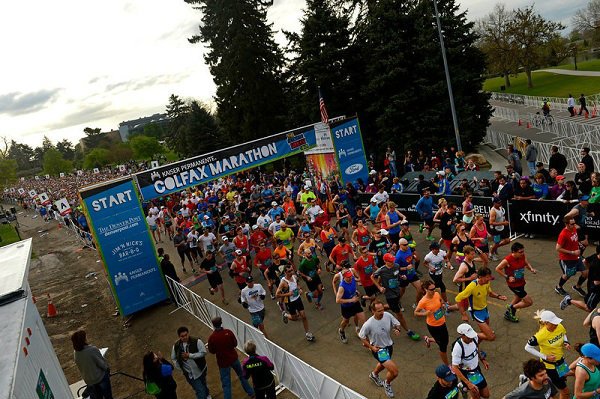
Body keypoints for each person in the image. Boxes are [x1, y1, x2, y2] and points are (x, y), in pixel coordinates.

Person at [371, 252, 420, 341]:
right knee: (399, 314)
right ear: (385, 261)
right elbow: (372, 276)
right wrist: (379, 287)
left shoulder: (396, 266)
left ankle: (376, 310)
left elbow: (397, 273)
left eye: (392, 260)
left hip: (397, 292)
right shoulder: (382, 270)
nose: (392, 262)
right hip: (390, 295)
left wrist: (402, 277)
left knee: (392, 307)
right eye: (390, 261)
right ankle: (408, 331)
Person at [359, 299, 403, 398]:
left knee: (383, 365)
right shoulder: (368, 324)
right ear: (373, 311)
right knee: (394, 372)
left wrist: (397, 329)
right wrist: (371, 347)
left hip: (389, 346)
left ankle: (374, 375)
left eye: (383, 309)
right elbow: (361, 337)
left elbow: (397, 324)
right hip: (379, 350)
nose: (382, 312)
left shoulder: (387, 315)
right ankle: (387, 383)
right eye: (379, 311)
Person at [525, 310, 572, 399]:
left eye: (556, 322)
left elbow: (563, 334)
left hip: (560, 361)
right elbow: (527, 347)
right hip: (550, 367)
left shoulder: (559, 326)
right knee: (565, 392)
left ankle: (527, 379)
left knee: (563, 375)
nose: (556, 325)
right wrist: (545, 357)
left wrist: (566, 342)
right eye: (553, 323)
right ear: (546, 323)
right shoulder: (540, 335)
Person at [455, 267, 507, 342]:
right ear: (480, 277)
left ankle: (476, 348)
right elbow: (458, 298)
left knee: (484, 333)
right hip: (477, 313)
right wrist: (463, 314)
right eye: (487, 277)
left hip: (485, 310)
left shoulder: (487, 283)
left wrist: (499, 296)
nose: (489, 279)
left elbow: (490, 293)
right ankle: (468, 335)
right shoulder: (472, 286)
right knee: (491, 337)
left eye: (489, 277)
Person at [207, 317, 254, 399]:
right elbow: (235, 344)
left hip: (223, 363)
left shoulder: (212, 338)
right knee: (242, 376)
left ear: (213, 325)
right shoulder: (228, 332)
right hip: (233, 358)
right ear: (221, 323)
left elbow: (212, 351)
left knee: (226, 384)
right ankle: (251, 393)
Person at [495, 242, 537, 322]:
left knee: (518, 297)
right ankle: (511, 308)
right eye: (520, 252)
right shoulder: (507, 260)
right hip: (514, 285)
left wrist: (531, 268)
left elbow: (526, 262)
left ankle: (508, 313)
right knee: (529, 302)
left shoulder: (522, 256)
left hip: (521, 282)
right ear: (513, 252)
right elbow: (497, 269)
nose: (522, 253)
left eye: (523, 251)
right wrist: (507, 277)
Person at [276, 264, 316, 341]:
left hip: (297, 299)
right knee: (295, 318)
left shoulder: (294, 277)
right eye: (289, 271)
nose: (291, 272)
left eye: (291, 270)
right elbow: (277, 294)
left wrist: (299, 289)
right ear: (285, 272)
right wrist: (288, 294)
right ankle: (285, 315)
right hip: (290, 302)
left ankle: (308, 333)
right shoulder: (283, 282)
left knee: (303, 316)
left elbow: (297, 285)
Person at [451, 323, 491, 399]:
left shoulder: (474, 337)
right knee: (476, 397)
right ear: (462, 335)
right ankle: (464, 386)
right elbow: (455, 368)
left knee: (486, 395)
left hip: (476, 370)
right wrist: (468, 383)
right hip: (466, 374)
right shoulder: (458, 348)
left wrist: (483, 360)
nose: (471, 339)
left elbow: (477, 348)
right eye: (469, 337)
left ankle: (463, 387)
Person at [415, 279, 450, 365]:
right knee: (443, 346)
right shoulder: (423, 301)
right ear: (426, 289)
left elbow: (440, 301)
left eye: (434, 288)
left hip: (442, 322)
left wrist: (442, 304)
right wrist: (425, 313)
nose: (434, 290)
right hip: (433, 326)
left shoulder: (437, 294)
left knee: (445, 341)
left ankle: (429, 339)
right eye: (431, 289)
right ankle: (447, 365)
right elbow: (415, 313)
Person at [71, 330, 113, 399]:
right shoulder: (92, 350)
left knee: (98, 396)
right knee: (108, 396)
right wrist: (107, 369)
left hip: (89, 381)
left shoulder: (76, 353)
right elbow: (102, 364)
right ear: (83, 340)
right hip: (100, 378)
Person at [171, 326, 210, 399]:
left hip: (201, 369)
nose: (185, 337)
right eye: (182, 336)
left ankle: (207, 395)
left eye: (186, 335)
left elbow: (203, 352)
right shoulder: (176, 346)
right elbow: (173, 358)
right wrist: (180, 367)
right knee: (199, 390)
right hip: (189, 373)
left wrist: (190, 355)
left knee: (203, 383)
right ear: (179, 337)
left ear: (188, 333)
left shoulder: (197, 341)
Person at [560, 245, 600, 313]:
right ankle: (568, 300)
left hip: (591, 283)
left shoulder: (595, 256)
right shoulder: (598, 266)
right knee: (588, 308)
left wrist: (589, 270)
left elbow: (585, 261)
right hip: (595, 289)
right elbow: (597, 283)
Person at [555, 217, 586, 297]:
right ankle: (558, 287)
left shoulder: (574, 228)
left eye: (574, 223)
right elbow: (558, 248)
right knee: (568, 275)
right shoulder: (563, 234)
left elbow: (574, 239)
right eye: (572, 224)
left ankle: (577, 287)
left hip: (577, 257)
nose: (574, 225)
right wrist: (572, 252)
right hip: (567, 259)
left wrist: (579, 244)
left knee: (585, 272)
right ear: (566, 224)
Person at [336, 269, 367, 343]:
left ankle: (363, 334)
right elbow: (337, 300)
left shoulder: (353, 279)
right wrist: (351, 300)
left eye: (350, 276)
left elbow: (354, 284)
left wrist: (356, 291)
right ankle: (341, 331)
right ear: (343, 277)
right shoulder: (342, 287)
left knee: (364, 321)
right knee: (346, 321)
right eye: (348, 277)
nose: (350, 278)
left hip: (355, 303)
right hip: (347, 307)